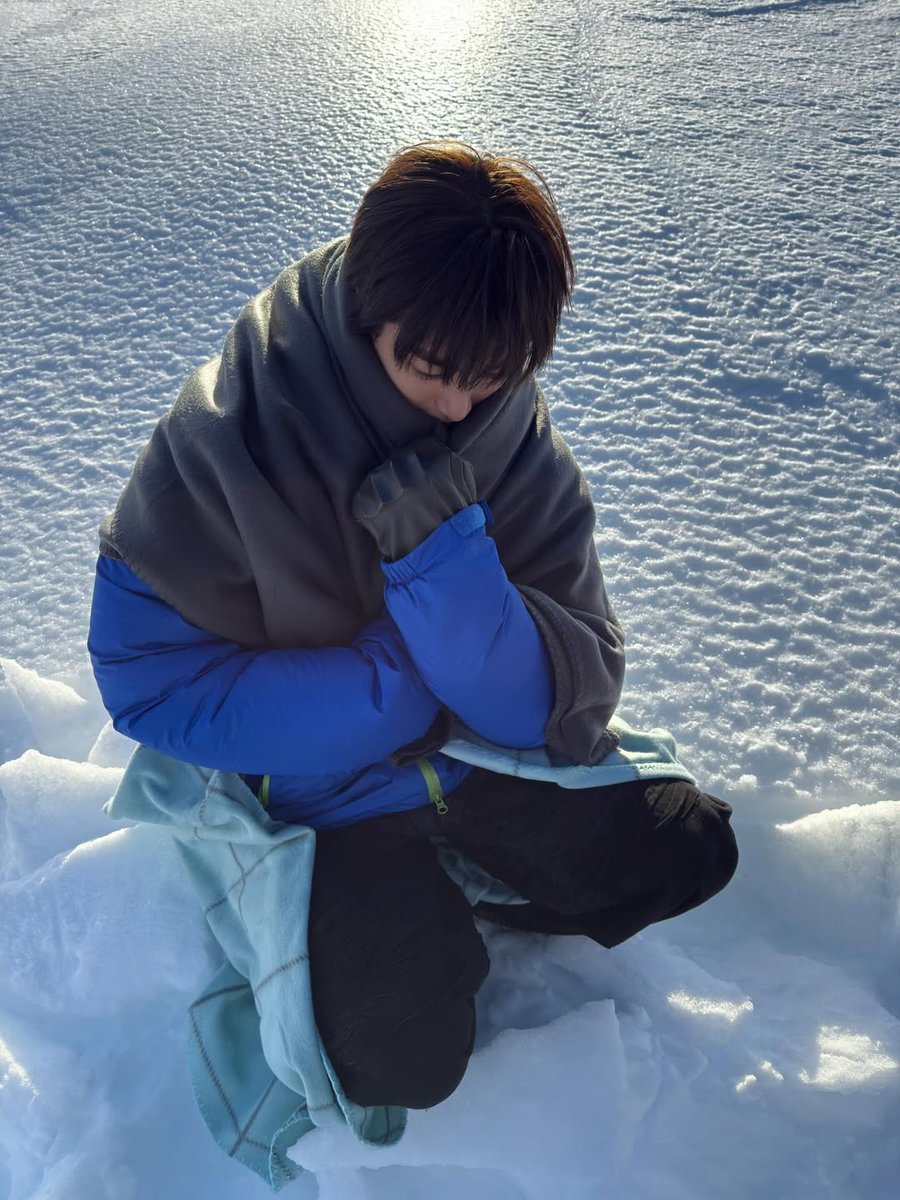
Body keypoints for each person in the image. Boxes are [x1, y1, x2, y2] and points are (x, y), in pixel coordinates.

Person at [88, 139, 738, 1112]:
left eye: (493, 375)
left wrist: (445, 566)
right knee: (404, 1061)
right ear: (367, 314)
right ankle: (409, 909)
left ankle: (462, 884)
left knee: (693, 850)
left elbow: (569, 691)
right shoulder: (231, 437)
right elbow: (146, 680)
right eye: (430, 368)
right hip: (323, 804)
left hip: (479, 760)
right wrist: (393, 685)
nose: (457, 405)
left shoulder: (511, 437)